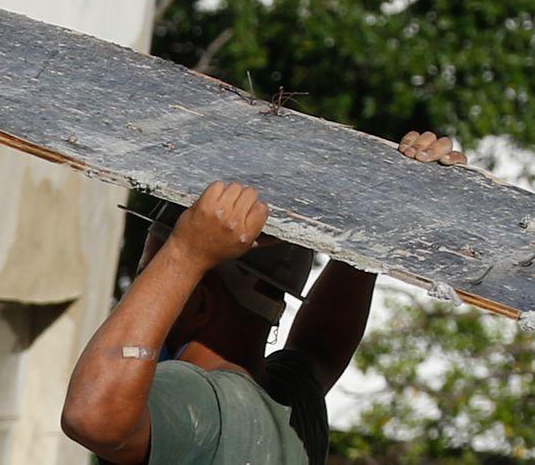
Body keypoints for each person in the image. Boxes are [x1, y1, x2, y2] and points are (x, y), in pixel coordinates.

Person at [60, 131, 467, 464]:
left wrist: (185, 254)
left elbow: (92, 416)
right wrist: (385, 216)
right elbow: (323, 344)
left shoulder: (199, 400)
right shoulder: (290, 408)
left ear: (198, 303)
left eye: (152, 276)